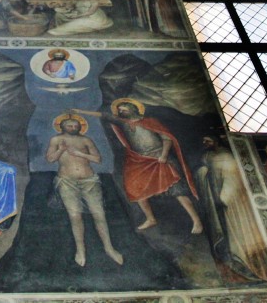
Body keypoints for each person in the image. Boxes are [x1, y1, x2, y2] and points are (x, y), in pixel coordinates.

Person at [75, 99, 202, 233]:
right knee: (135, 188)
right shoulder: (123, 123)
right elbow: (104, 115)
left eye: (124, 109)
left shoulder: (150, 121)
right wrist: (81, 112)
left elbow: (166, 138)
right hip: (139, 160)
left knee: (177, 190)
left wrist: (164, 155)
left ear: (133, 109)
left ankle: (197, 221)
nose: (121, 112)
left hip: (159, 158)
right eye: (119, 110)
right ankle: (150, 218)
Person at [45, 114, 124, 266]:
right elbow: (50, 159)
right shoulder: (56, 140)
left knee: (99, 214)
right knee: (75, 216)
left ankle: (109, 248)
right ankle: (80, 250)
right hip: (66, 181)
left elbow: (98, 159)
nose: (73, 128)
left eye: (76, 126)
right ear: (62, 127)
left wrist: (80, 153)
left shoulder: (86, 140)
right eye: (69, 125)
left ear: (80, 127)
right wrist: (61, 149)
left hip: (90, 181)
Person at [196, 136, 267, 281]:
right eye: (204, 140)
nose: (204, 143)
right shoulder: (209, 156)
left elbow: (232, 179)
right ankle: (237, 265)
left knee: (241, 236)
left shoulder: (226, 157)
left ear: (217, 141)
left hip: (234, 205)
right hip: (222, 205)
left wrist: (223, 198)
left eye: (208, 140)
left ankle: (250, 267)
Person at [48, 0, 113, 36]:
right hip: (78, 15)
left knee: (75, 25)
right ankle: (59, 26)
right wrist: (60, 6)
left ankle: (59, 29)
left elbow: (90, 12)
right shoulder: (76, 1)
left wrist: (78, 16)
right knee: (58, 15)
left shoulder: (94, 2)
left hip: (93, 17)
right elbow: (68, 6)